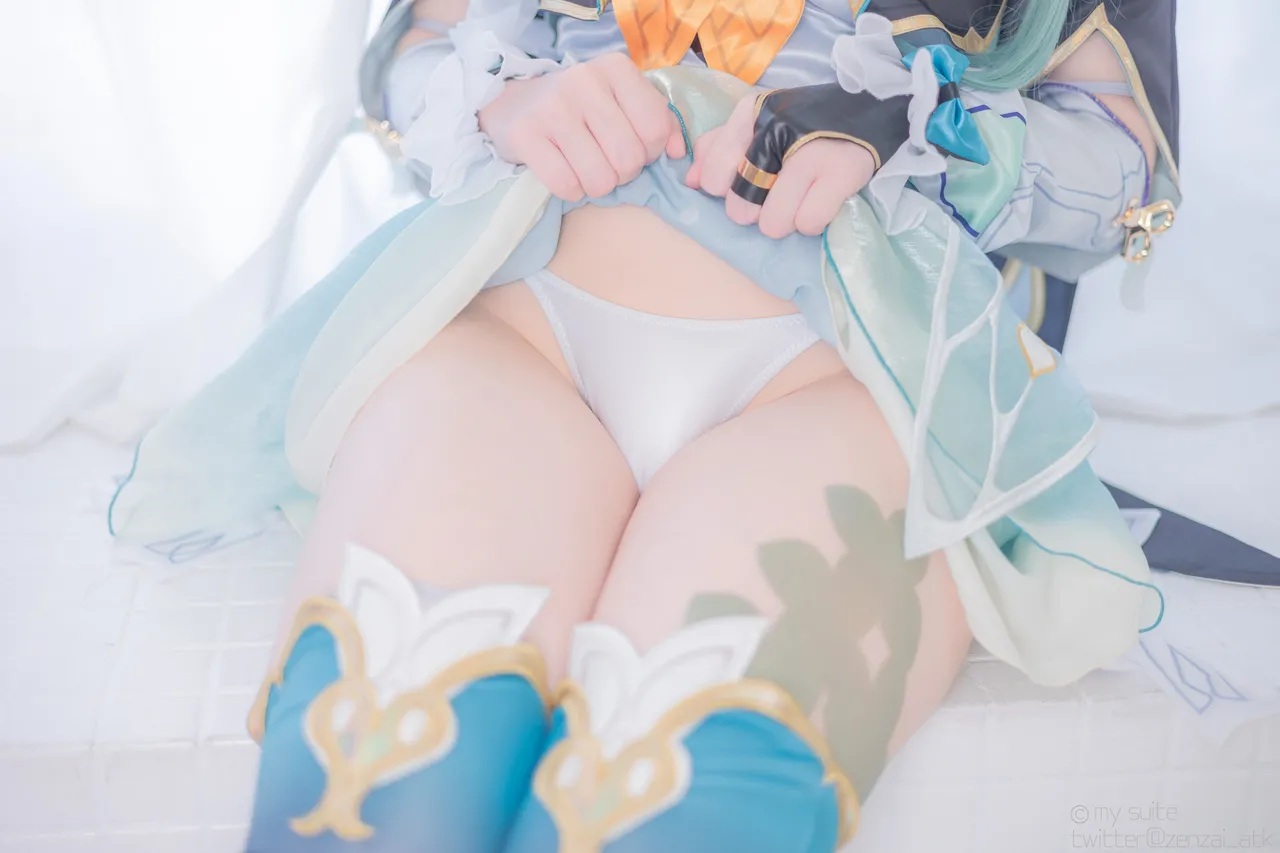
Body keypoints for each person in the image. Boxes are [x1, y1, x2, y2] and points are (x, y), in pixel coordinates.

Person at [108, 0, 1180, 849]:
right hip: (519, 334)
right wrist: (507, 98)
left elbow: (1127, 164)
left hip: (847, 388)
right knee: (380, 791)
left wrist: (918, 131)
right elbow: (415, 49)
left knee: (676, 803)